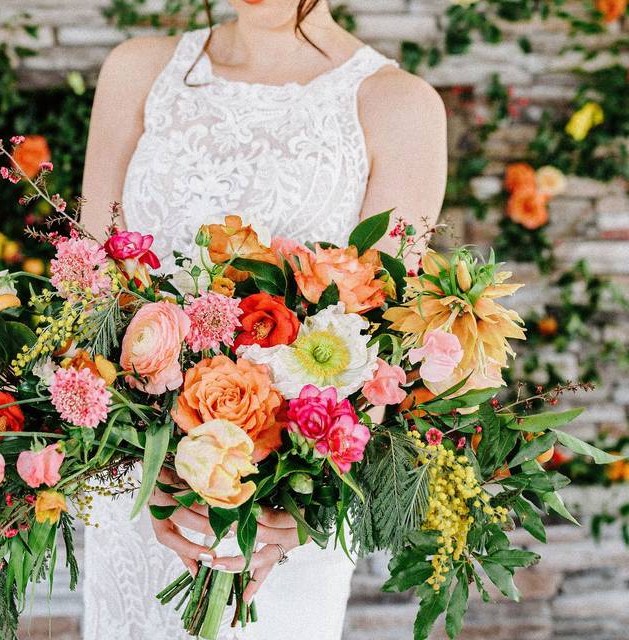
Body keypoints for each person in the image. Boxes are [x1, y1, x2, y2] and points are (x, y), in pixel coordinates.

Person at [79, 1, 446, 638]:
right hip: (135, 483)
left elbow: (380, 345)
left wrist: (294, 510)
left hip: (281, 502)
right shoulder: (138, 71)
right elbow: (86, 293)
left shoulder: (398, 105)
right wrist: (153, 469)